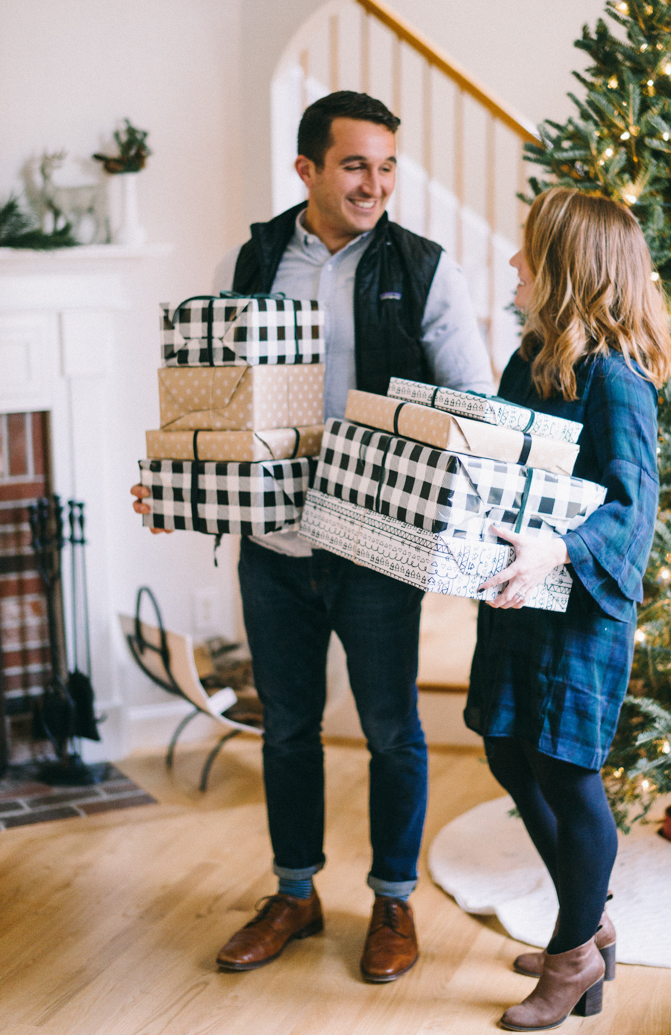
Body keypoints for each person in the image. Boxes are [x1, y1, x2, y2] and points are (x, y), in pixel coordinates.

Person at [132, 91, 494, 983]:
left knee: (390, 731)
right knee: (288, 727)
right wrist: (179, 478)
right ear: (307, 170)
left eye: (386, 166)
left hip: (377, 546)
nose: (375, 184)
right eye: (355, 165)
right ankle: (295, 893)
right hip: (274, 545)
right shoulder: (250, 260)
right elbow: (205, 391)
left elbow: (475, 406)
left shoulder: (425, 269)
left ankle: (393, 901)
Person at [466, 188, 671, 1031]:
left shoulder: (619, 382)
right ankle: (588, 924)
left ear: (563, 269)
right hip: (521, 590)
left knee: (566, 774)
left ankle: (574, 955)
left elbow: (632, 509)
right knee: (508, 752)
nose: (512, 263)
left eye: (526, 252)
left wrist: (557, 549)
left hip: (579, 602)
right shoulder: (531, 358)